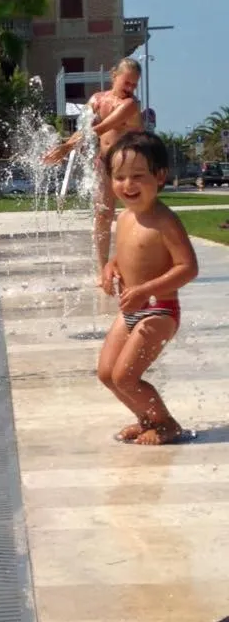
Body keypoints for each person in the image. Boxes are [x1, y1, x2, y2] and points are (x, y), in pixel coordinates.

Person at [97, 131, 198, 445]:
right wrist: (111, 266)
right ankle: (146, 419)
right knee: (107, 374)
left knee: (125, 376)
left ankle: (166, 423)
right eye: (120, 177)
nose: (128, 185)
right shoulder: (126, 218)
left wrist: (145, 290)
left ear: (160, 176)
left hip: (159, 310)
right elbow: (129, 254)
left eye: (138, 176)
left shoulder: (164, 221)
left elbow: (188, 267)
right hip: (131, 309)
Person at [43, 58, 144, 278]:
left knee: (136, 215)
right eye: (127, 82)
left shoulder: (130, 105)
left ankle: (135, 265)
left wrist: (67, 148)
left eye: (134, 85)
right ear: (114, 75)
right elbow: (85, 129)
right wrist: (67, 145)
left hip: (130, 166)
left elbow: (102, 128)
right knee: (102, 215)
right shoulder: (97, 100)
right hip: (104, 163)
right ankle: (103, 269)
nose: (130, 89)